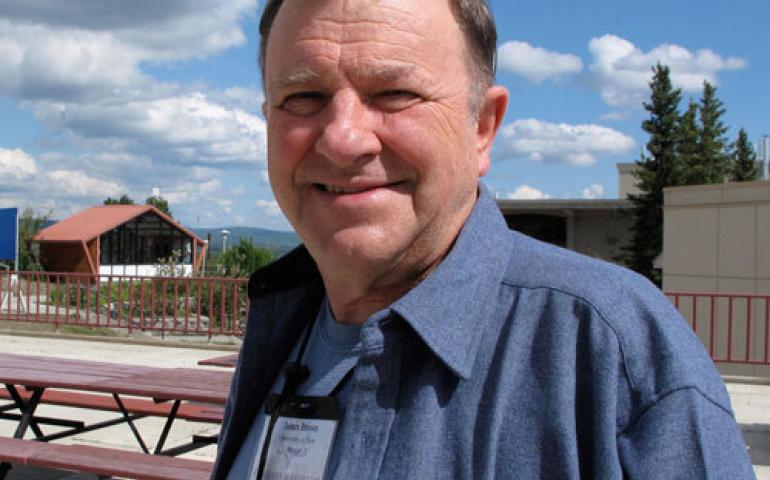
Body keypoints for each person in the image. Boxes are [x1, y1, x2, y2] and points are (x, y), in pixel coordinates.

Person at [212, 0, 755, 478]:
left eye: (395, 93)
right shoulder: (284, 324)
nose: (342, 139)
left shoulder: (609, 353)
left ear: (482, 128)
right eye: (303, 97)